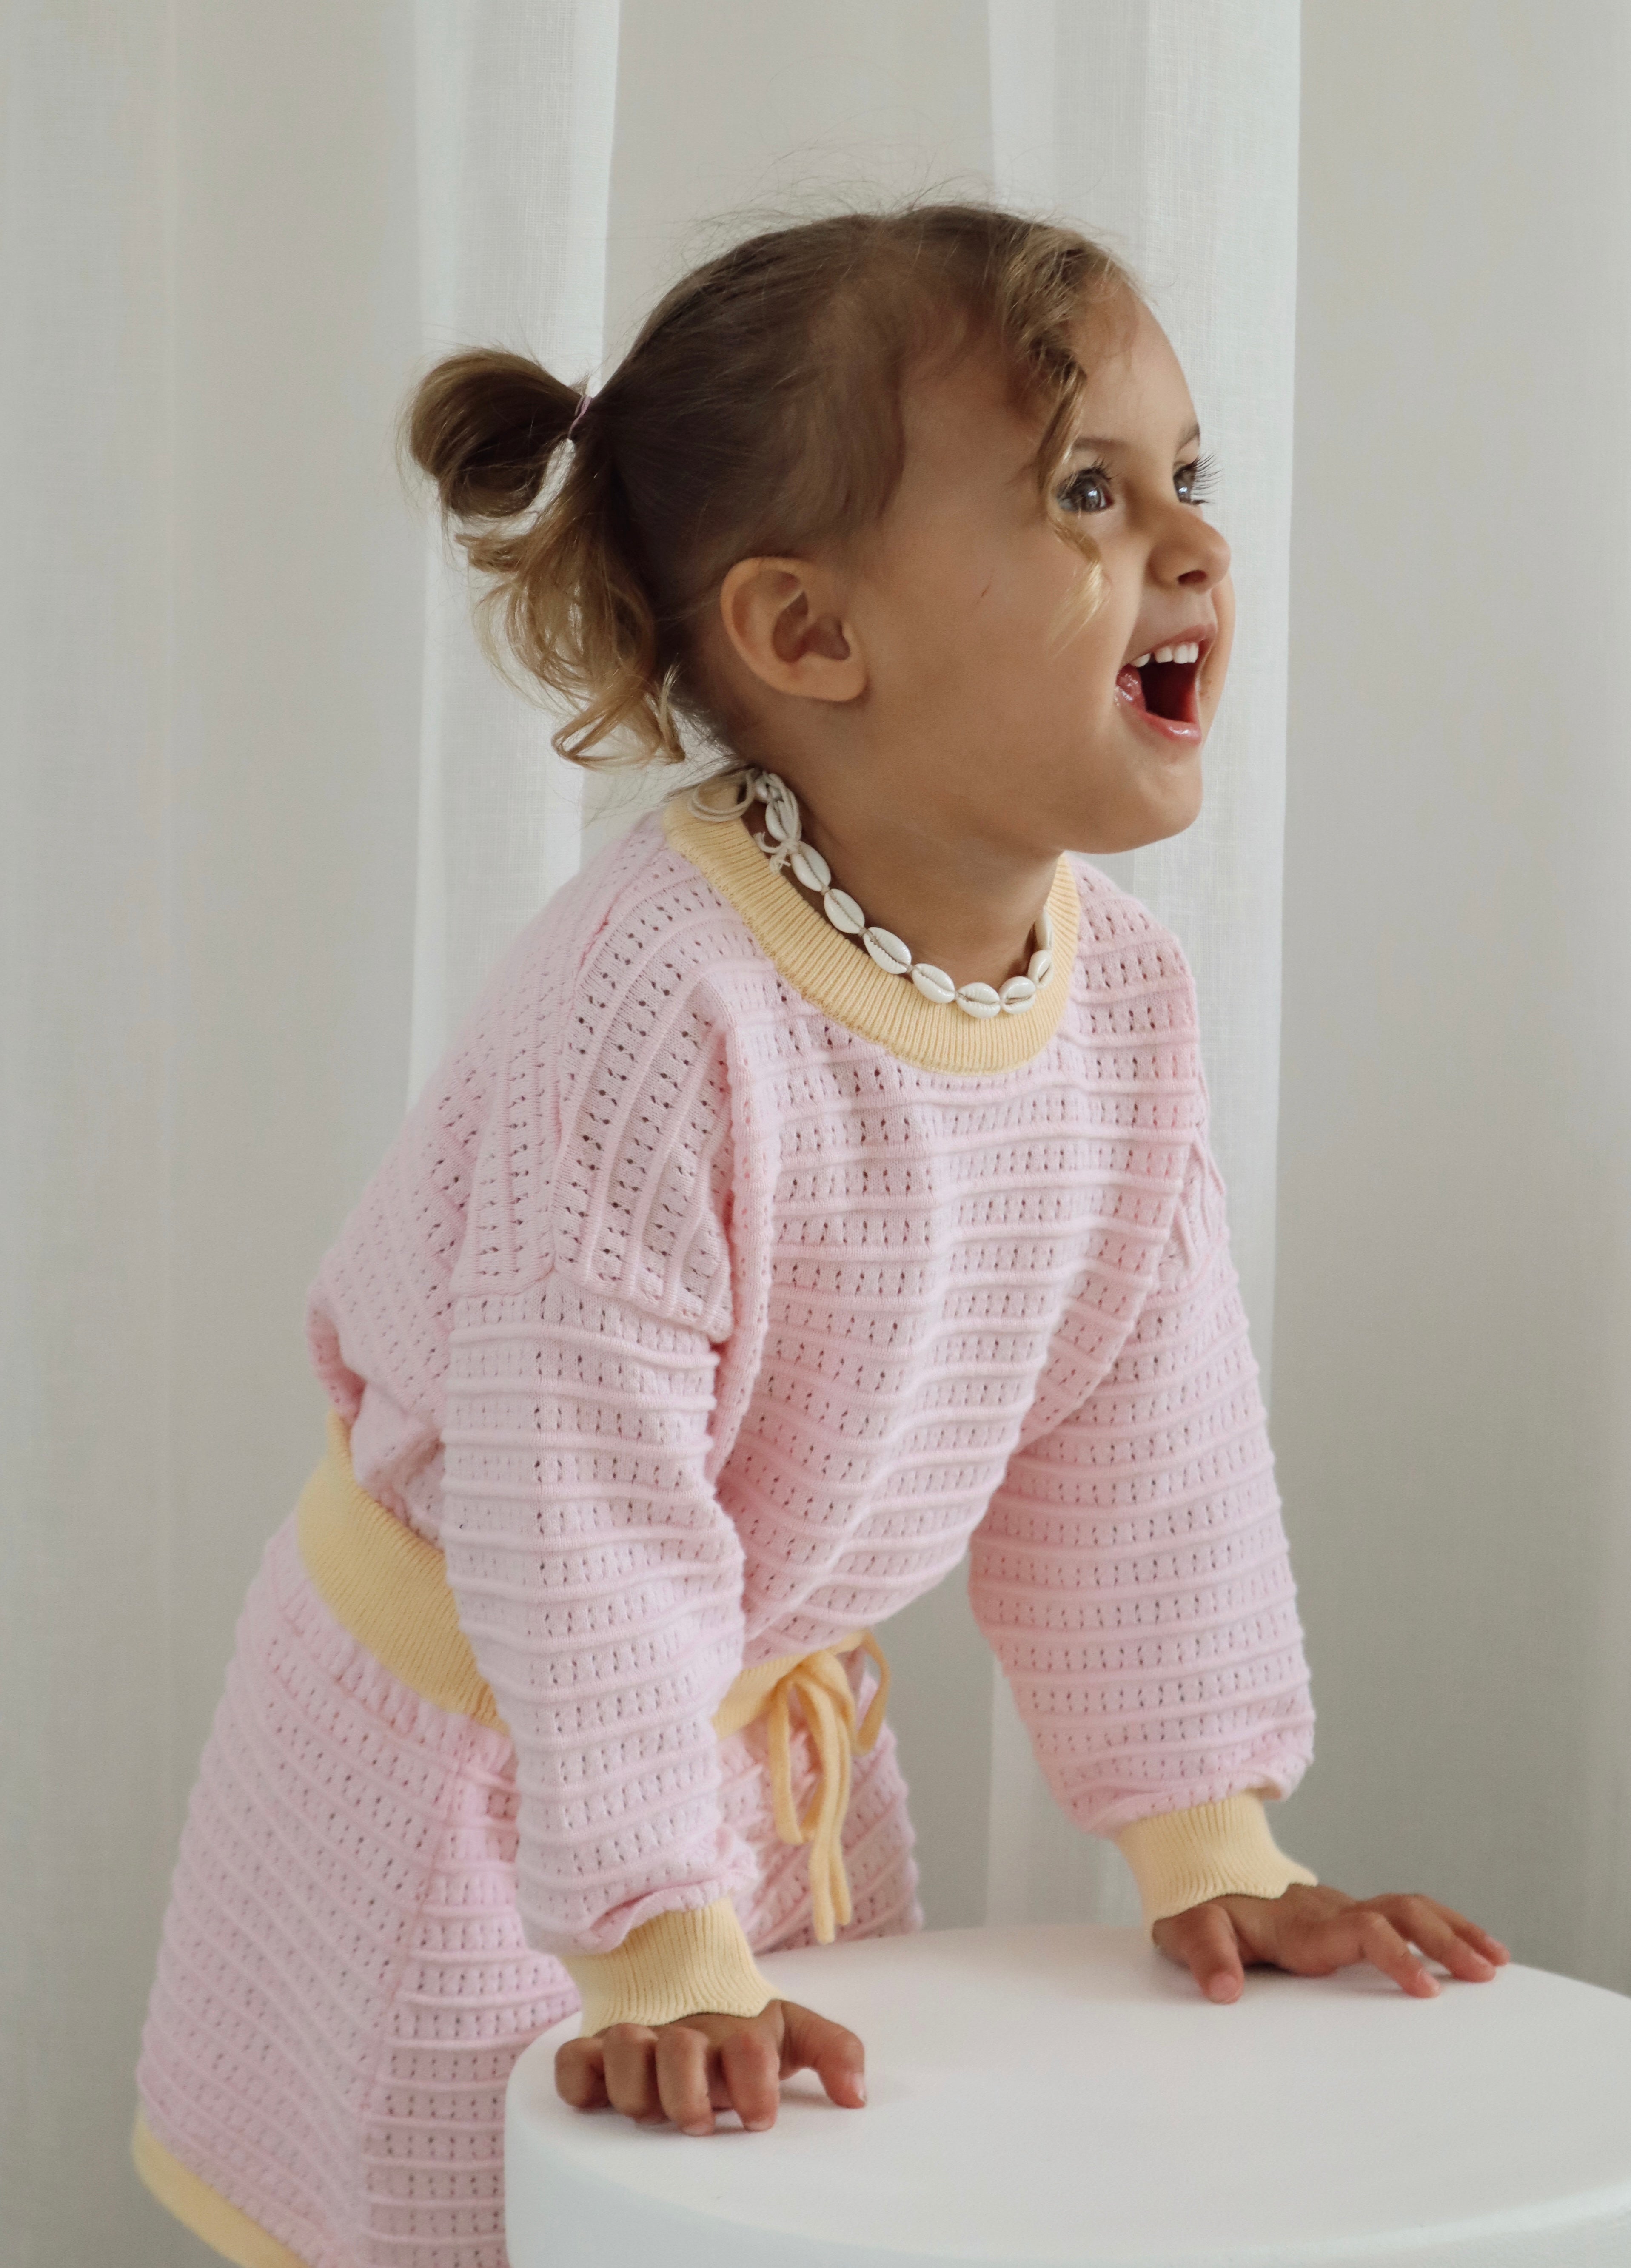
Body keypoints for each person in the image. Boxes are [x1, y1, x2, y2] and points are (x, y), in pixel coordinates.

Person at [132, 203, 1508, 2268]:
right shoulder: (655, 1010)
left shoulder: (1115, 1001)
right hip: (481, 1789)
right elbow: (573, 1507)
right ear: (805, 634)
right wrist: (652, 1930)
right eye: (1085, 493)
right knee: (483, 2212)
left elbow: (1146, 1447)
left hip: (744, 1778)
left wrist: (1206, 1839)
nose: (1196, 548)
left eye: (1185, 479)